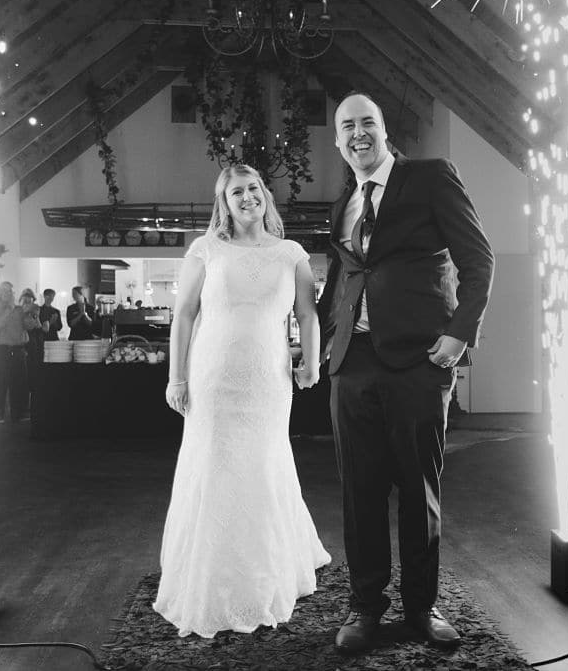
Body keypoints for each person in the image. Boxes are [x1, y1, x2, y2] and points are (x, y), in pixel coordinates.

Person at [317, 92, 495, 653]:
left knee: (420, 491)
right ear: (338, 140)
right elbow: (343, 279)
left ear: (385, 129)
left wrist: (461, 332)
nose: (357, 133)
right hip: (353, 363)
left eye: (367, 122)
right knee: (359, 493)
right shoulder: (341, 201)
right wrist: (320, 342)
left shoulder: (430, 177)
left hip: (420, 361)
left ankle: (422, 606)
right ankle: (365, 607)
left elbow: (478, 258)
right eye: (347, 126)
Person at [155, 164, 330, 638]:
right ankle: (210, 581)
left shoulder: (291, 253)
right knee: (214, 467)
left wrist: (310, 362)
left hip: (268, 382)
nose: (247, 197)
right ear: (224, 202)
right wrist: (177, 377)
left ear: (265, 196)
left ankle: (267, 573)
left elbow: (308, 314)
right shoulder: (205, 250)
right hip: (212, 379)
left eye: (253, 189)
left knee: (264, 465)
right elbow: (184, 317)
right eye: (237, 192)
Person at [0, 281, 41, 422]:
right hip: (1, 350)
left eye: (10, 291)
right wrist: (9, 310)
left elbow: (29, 327)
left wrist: (33, 314)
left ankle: (20, 413)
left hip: (18, 350)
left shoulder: (19, 310)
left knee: (20, 383)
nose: (8, 294)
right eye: (5, 291)